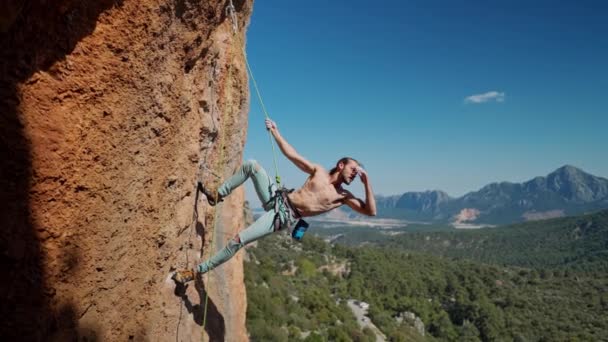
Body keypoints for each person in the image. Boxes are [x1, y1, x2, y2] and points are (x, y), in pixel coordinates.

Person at [172, 118, 376, 284]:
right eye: (353, 170)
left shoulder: (343, 197)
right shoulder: (319, 172)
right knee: (251, 165)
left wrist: (367, 183)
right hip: (278, 197)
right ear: (341, 165)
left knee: (238, 240)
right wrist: (275, 132)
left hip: (281, 216)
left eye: (357, 173)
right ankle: (218, 195)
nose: (355, 175)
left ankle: (195, 272)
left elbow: (370, 212)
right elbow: (292, 155)